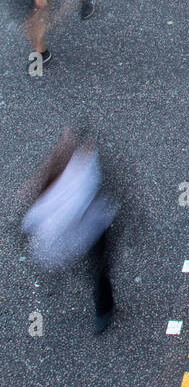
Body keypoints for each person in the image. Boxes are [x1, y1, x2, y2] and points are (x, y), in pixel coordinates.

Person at [21, 129, 118, 334]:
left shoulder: (69, 180)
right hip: (91, 226)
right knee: (98, 268)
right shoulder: (74, 176)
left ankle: (104, 307)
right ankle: (104, 305)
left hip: (92, 227)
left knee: (98, 268)